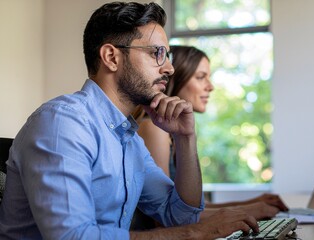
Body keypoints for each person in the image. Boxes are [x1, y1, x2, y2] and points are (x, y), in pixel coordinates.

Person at [0, 2, 259, 239]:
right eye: (157, 53)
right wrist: (195, 234)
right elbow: (72, 237)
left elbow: (180, 215)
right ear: (111, 57)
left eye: (167, 55)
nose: (169, 68)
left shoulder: (128, 139)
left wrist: (185, 138)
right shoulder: (63, 123)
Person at [132, 45, 288, 223]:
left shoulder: (170, 131)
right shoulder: (154, 128)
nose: (210, 87)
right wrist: (251, 209)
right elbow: (168, 215)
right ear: (174, 80)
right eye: (200, 77)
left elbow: (190, 208)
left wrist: (252, 203)